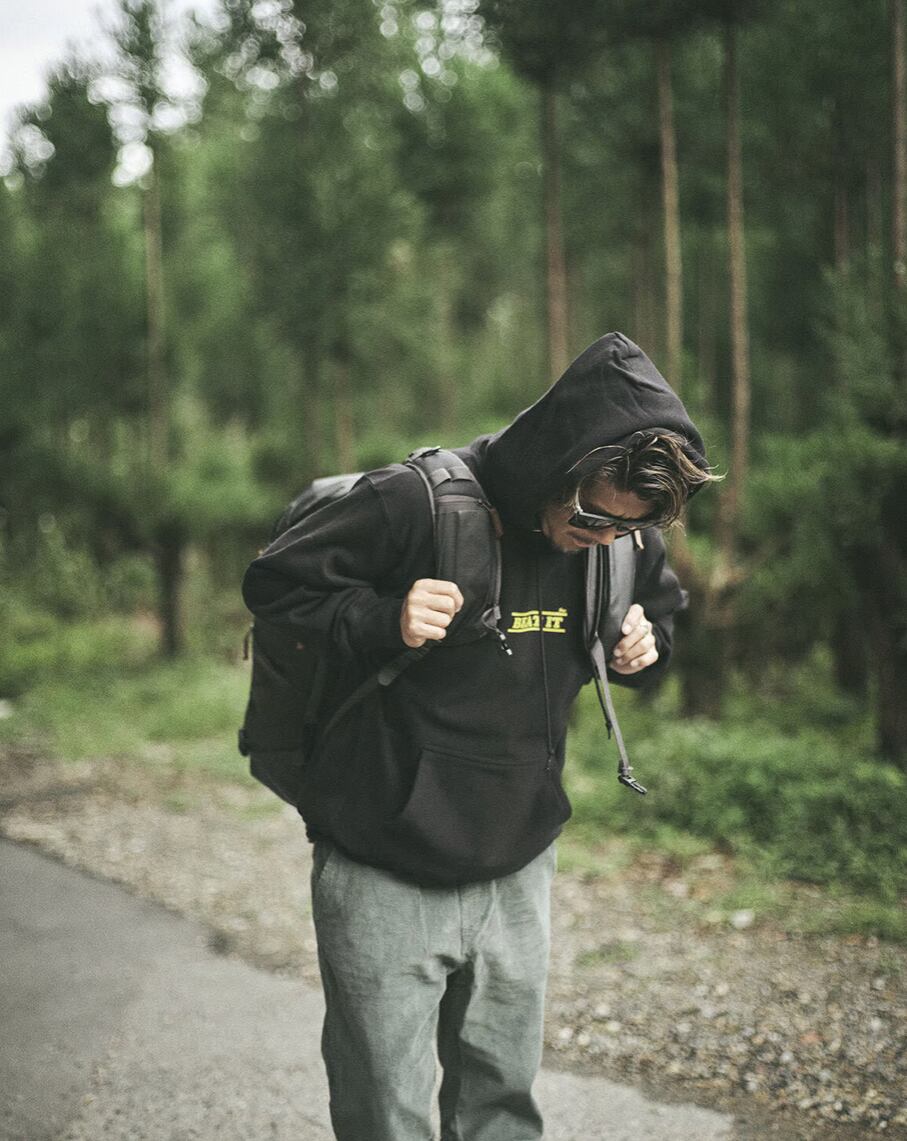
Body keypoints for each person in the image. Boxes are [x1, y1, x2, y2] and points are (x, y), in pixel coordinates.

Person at [242, 331, 715, 1141]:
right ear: (555, 463)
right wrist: (382, 617)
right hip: (381, 858)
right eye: (593, 515)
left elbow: (658, 612)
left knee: (502, 1106)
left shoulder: (622, 536)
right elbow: (276, 583)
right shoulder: (410, 503)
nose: (605, 536)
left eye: (626, 527)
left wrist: (645, 645)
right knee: (383, 1112)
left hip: (518, 862)